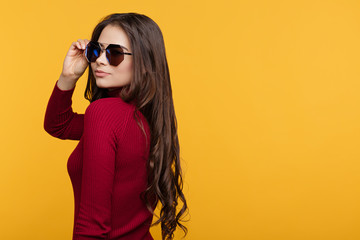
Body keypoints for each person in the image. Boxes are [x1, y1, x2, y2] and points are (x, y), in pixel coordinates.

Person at [44, 13, 188, 240]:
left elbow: (93, 227)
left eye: (115, 53)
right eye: (95, 50)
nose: (100, 60)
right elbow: (59, 125)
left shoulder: (104, 113)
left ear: (143, 63)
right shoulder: (142, 118)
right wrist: (69, 75)